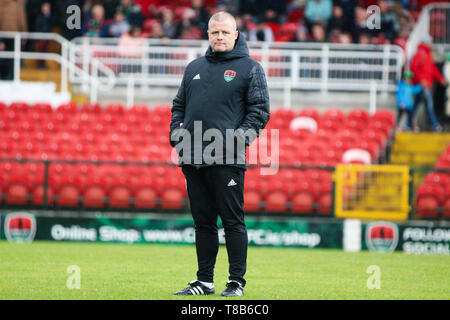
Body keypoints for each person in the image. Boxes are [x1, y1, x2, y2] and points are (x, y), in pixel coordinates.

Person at [170, 11, 270, 296]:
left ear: (236, 34)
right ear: (208, 34)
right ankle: (204, 282)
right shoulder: (193, 68)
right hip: (193, 157)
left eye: (225, 32)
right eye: (215, 32)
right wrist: (176, 135)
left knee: (232, 222)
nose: (220, 37)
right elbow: (178, 105)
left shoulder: (251, 68)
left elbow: (260, 112)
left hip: (228, 159)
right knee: (203, 224)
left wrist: (236, 141)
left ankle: (236, 283)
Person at [410, 35, 448, 131]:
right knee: (429, 105)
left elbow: (433, 69)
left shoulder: (427, 54)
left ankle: (408, 123)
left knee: (417, 105)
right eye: (430, 42)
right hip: (422, 85)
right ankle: (435, 125)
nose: (431, 44)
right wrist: (421, 80)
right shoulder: (420, 54)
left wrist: (440, 79)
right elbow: (414, 68)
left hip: (426, 85)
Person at [0, 0, 28, 80]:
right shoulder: (17, 5)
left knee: (4, 57)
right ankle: (11, 76)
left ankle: (3, 76)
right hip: (14, 36)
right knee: (13, 58)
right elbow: (22, 21)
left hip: (3, 35)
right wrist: (24, 35)